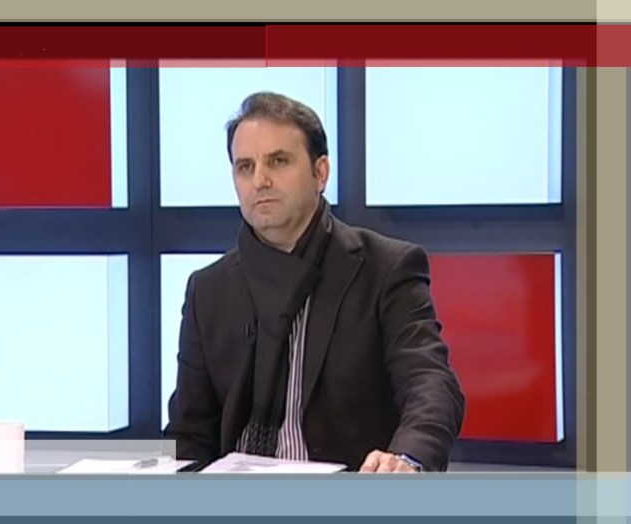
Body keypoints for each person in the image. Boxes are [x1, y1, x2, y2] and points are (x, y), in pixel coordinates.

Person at [164, 91, 465, 473]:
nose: (260, 180)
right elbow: (188, 434)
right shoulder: (208, 290)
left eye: (278, 161)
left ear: (320, 173)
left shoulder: (385, 270)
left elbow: (430, 382)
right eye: (245, 167)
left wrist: (407, 457)